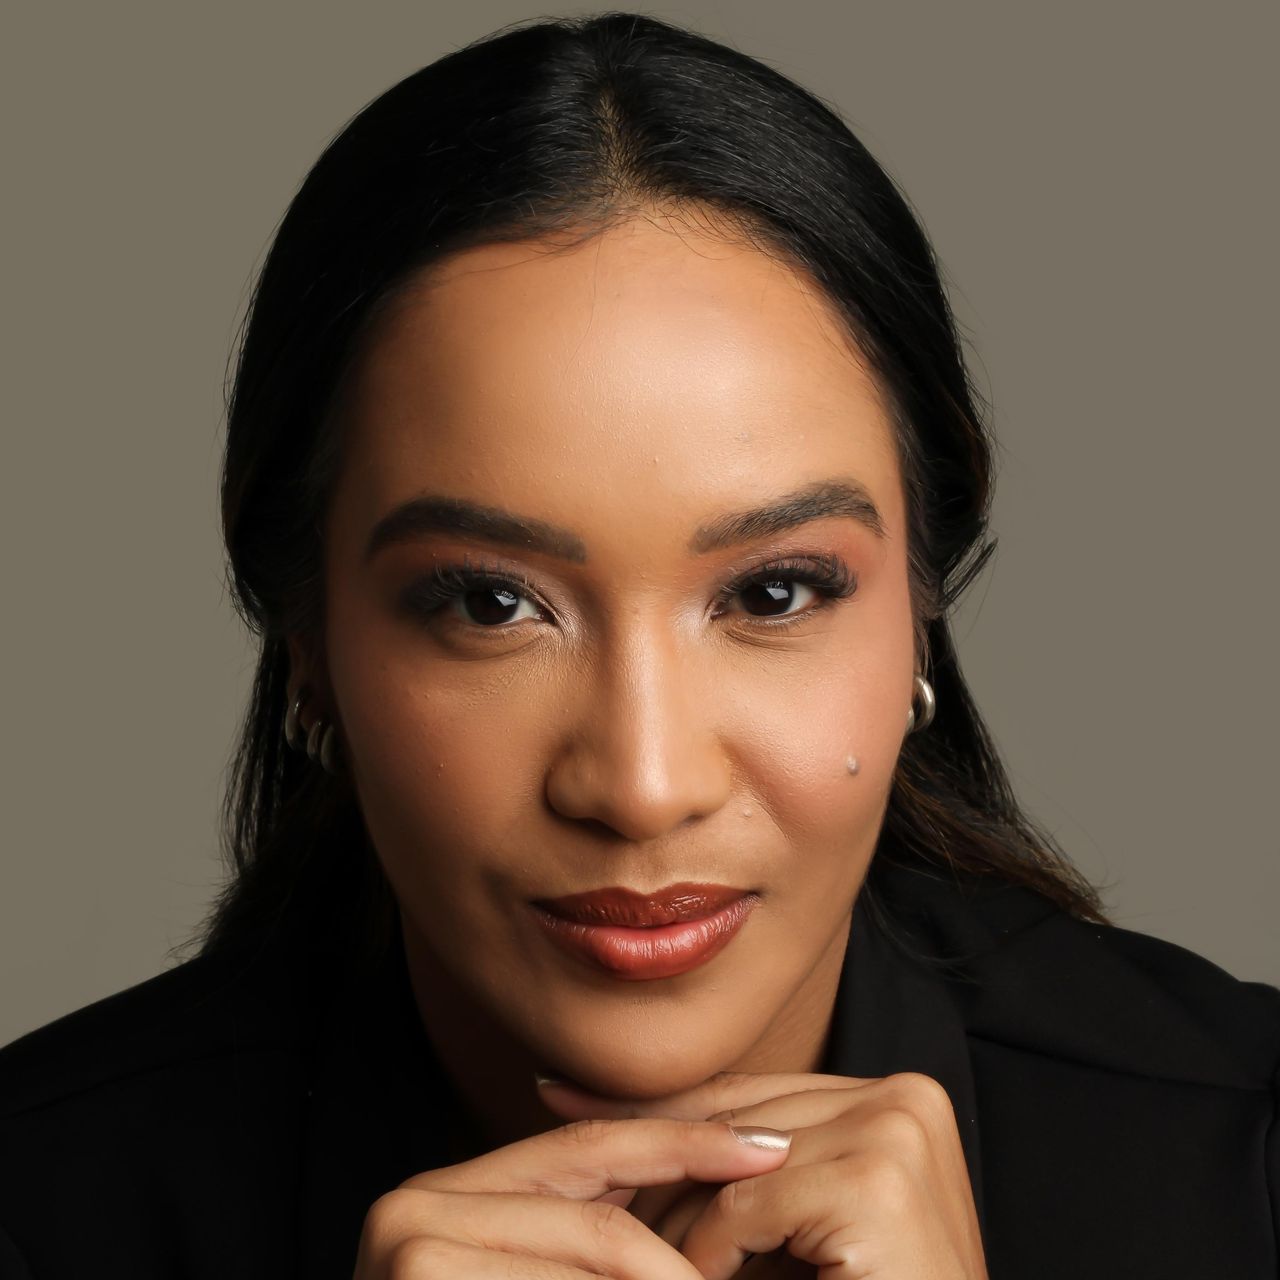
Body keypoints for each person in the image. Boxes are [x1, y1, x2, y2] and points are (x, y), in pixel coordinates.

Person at [1, 11, 1276, 1279]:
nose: (641, 784)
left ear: (918, 605)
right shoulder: (41, 1205)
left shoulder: (1243, 1162)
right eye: (488, 604)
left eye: (773, 591)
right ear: (309, 644)